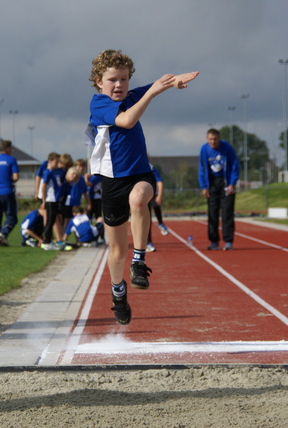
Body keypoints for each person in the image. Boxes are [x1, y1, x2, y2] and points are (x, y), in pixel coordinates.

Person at [86, 49, 199, 325]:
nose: (119, 85)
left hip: (140, 173)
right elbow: (126, 120)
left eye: (124, 79)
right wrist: (150, 94)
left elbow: (157, 85)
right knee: (115, 253)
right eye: (113, 79)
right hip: (112, 181)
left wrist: (175, 82)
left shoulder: (133, 95)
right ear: (99, 82)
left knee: (139, 199)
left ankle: (139, 261)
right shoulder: (99, 105)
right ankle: (117, 292)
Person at [198, 128, 240, 251]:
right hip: (212, 184)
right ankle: (214, 242)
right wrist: (204, 186)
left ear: (219, 138)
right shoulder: (204, 149)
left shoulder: (227, 148)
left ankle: (228, 241)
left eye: (215, 139)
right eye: (210, 139)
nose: (213, 141)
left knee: (227, 213)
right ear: (207, 139)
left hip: (226, 182)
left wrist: (232, 183)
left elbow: (235, 165)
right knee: (212, 214)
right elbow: (202, 169)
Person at [39, 152, 63, 250]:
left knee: (52, 220)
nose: (58, 164)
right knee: (49, 221)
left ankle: (49, 240)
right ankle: (46, 242)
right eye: (56, 162)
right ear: (50, 161)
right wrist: (44, 201)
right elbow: (43, 187)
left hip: (55, 199)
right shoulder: (47, 172)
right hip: (50, 199)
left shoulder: (54, 172)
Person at [146, 164, 168, 252]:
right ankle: (148, 242)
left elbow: (160, 182)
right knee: (147, 220)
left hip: (152, 194)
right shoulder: (134, 167)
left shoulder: (152, 169)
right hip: (142, 197)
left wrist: (159, 195)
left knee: (155, 205)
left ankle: (160, 223)